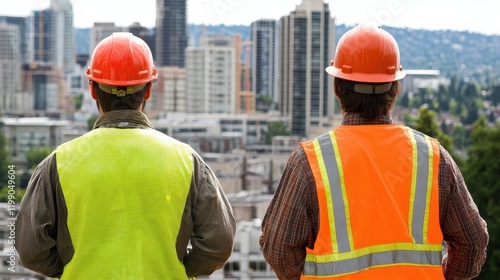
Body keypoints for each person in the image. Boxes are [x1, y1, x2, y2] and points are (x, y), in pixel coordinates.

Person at [259, 24, 488, 280]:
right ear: (395, 89)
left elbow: (279, 249)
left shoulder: (310, 161)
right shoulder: (432, 157)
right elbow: (472, 242)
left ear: (337, 88)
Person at [15, 32, 236, 279]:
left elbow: (30, 250)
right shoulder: (188, 162)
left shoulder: (57, 163)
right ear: (148, 89)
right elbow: (219, 244)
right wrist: (179, 269)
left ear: (93, 90)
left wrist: (73, 269)